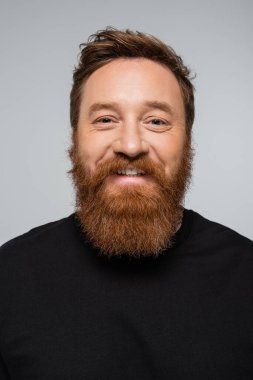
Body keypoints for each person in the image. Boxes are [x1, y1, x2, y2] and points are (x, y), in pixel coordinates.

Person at [0, 27, 252, 380]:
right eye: (105, 119)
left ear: (187, 142)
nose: (131, 145)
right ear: (75, 139)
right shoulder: (9, 277)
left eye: (156, 121)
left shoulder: (246, 275)